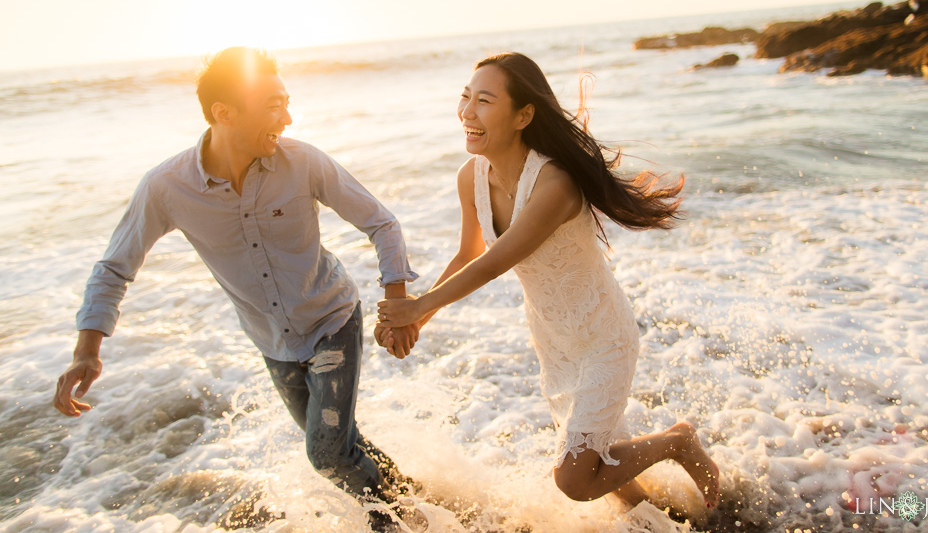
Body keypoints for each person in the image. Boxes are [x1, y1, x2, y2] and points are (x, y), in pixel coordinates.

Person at [52, 47, 424, 513]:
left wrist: (396, 306)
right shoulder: (166, 187)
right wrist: (87, 350)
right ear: (222, 113)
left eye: (286, 102)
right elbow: (114, 268)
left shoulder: (304, 162)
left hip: (331, 319)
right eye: (273, 105)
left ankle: (403, 523)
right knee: (340, 446)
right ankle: (421, 503)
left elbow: (382, 224)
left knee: (326, 454)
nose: (287, 118)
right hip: (273, 343)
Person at [374, 52, 720, 511]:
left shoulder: (554, 183)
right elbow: (468, 254)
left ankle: (678, 441)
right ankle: (659, 519)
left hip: (603, 336)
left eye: (484, 100)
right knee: (608, 475)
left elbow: (497, 261)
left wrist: (416, 308)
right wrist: (420, 315)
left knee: (576, 478)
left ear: (523, 115)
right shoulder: (470, 176)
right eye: (464, 97)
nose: (467, 112)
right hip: (553, 340)